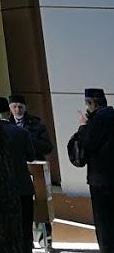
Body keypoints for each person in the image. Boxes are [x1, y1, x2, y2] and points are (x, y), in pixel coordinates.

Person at [67, 87, 114, 252]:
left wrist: (83, 126)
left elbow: (87, 145)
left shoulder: (97, 121)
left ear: (91, 103)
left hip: (100, 181)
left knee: (105, 224)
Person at [0, 97, 36, 247]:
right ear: (8, 113)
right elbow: (31, 156)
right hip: (22, 186)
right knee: (25, 227)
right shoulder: (21, 132)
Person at [9, 94, 55, 160]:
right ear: (10, 109)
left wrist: (29, 140)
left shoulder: (36, 124)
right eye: (14, 107)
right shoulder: (6, 124)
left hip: (34, 160)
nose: (17, 110)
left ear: (25, 108)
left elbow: (48, 148)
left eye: (20, 107)